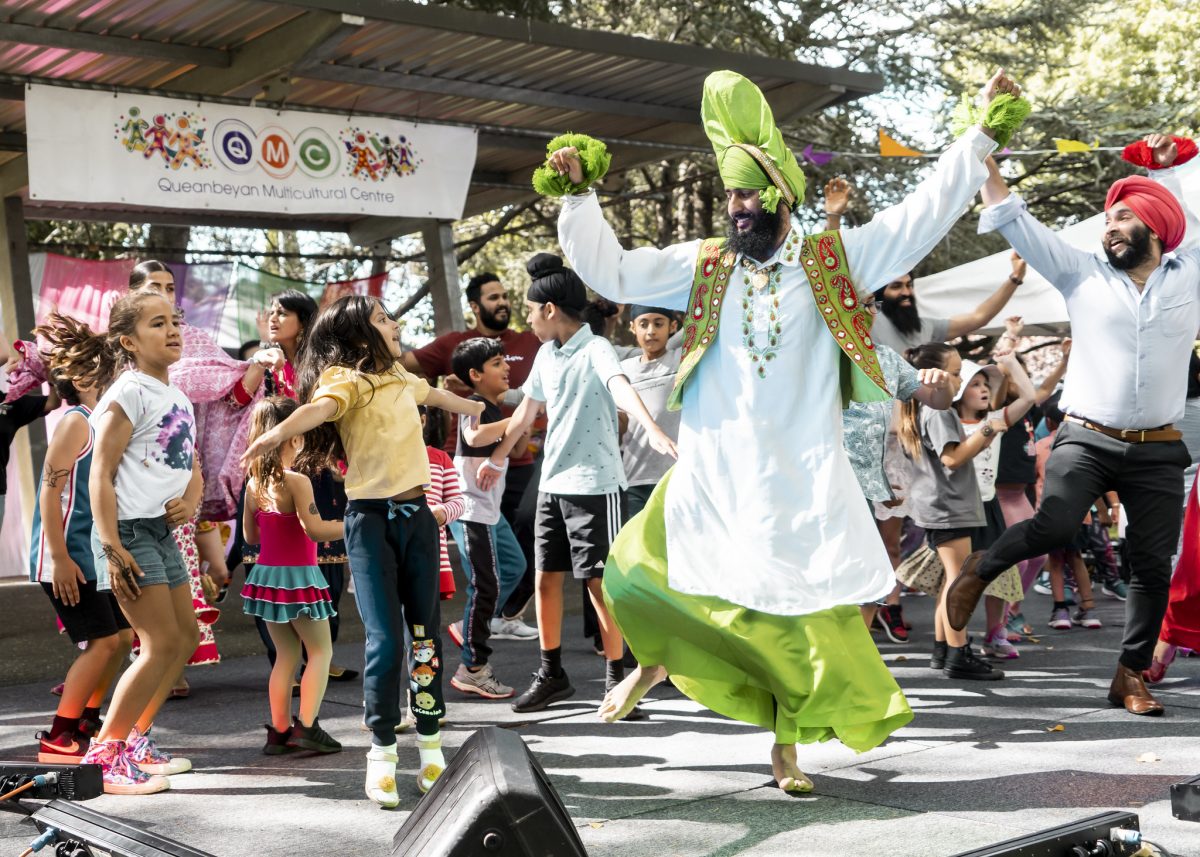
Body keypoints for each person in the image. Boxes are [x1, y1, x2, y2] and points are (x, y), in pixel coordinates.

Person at [534, 66, 1023, 791]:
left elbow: (922, 213)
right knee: (637, 576)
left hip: (800, 471)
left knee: (796, 615)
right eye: (726, 197)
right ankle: (653, 658)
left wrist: (979, 135)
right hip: (713, 465)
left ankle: (786, 744)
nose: (732, 211)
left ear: (779, 198)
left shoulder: (833, 261)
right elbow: (613, 267)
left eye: (742, 197)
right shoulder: (705, 266)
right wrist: (577, 195)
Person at [945, 133, 1199, 716]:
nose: (1108, 228)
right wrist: (985, 151)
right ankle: (980, 571)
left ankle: (1130, 674)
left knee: (1152, 564)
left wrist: (1163, 173)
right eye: (1106, 219)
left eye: (1122, 218)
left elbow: (1189, 221)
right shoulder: (1079, 272)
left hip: (1159, 448)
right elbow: (1012, 218)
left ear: (1156, 230)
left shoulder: (1189, 277)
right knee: (1054, 524)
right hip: (1086, 437)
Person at [241, 295, 484, 807]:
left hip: (418, 518)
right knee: (383, 642)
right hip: (369, 521)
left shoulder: (402, 378)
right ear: (357, 336)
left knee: (426, 636)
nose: (394, 325)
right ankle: (382, 751)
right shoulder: (345, 381)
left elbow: (437, 398)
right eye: (382, 319)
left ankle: (433, 746)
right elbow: (318, 410)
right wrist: (278, 433)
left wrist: (475, 406)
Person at [475, 253, 678, 716]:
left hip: (596, 484)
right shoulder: (548, 354)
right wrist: (497, 458)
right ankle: (551, 674)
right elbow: (526, 414)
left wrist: (652, 427)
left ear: (549, 309)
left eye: (530, 310)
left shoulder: (597, 348)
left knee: (598, 585)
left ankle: (616, 676)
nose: (528, 320)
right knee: (546, 579)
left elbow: (620, 386)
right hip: (553, 483)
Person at [82, 292, 202, 795]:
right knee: (156, 644)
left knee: (185, 639)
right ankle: (103, 758)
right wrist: (111, 547)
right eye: (158, 323)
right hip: (128, 532)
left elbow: (191, 463)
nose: (172, 329)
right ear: (129, 341)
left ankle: (133, 742)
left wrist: (190, 499)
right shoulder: (128, 391)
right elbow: (99, 473)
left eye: (174, 320)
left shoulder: (176, 394)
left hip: (159, 529)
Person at [402, 272, 542, 635]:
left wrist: (518, 423)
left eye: (505, 296)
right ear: (476, 306)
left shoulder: (529, 340)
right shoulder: (456, 347)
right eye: (493, 297)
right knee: (485, 570)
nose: (503, 303)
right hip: (467, 474)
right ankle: (472, 641)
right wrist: (444, 395)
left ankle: (494, 620)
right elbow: (403, 369)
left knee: (514, 562)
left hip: (514, 465)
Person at [30, 314, 132, 764]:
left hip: (92, 555)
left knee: (124, 638)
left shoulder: (101, 421)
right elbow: (48, 492)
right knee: (105, 642)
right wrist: (58, 557)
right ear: (86, 374)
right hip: (67, 556)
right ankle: (60, 733)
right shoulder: (76, 421)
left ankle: (88, 720)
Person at [840, 292, 955, 635]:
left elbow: (936, 400)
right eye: (854, 303)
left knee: (871, 561)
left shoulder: (886, 359)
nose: (866, 312)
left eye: (870, 305)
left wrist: (944, 385)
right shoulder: (818, 354)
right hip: (830, 479)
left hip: (880, 473)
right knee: (837, 565)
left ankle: (860, 644)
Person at [242, 397, 343, 756]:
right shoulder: (297, 480)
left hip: (266, 577)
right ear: (292, 437)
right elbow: (316, 530)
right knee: (320, 651)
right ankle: (309, 726)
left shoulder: (253, 483)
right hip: (299, 577)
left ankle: (279, 731)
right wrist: (353, 524)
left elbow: (250, 538)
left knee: (286, 655)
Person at [896, 346, 1004, 680]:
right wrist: (989, 430)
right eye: (956, 372)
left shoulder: (921, 406)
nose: (960, 379)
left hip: (942, 504)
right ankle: (959, 653)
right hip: (949, 505)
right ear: (936, 374)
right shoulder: (938, 409)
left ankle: (945, 650)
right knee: (960, 583)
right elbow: (952, 459)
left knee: (950, 581)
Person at [446, 338, 521, 700]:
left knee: (515, 565)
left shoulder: (496, 406)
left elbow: (516, 447)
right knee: (485, 585)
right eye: (496, 363)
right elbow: (473, 435)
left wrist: (519, 426)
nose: (505, 367)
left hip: (491, 509)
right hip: (470, 508)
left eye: (504, 360)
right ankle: (472, 667)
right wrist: (517, 418)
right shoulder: (473, 404)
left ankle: (470, 624)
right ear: (475, 375)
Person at [954, 355, 1039, 658]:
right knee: (952, 584)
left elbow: (1029, 397)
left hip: (988, 508)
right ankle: (952, 644)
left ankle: (994, 633)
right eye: (975, 384)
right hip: (956, 513)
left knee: (1001, 573)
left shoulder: (994, 421)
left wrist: (1011, 361)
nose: (984, 389)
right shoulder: (944, 421)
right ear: (958, 390)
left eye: (985, 383)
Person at [619, 306, 683, 520]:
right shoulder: (622, 371)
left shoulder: (682, 361)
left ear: (673, 327)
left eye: (658, 323)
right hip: (634, 480)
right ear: (632, 327)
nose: (651, 331)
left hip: (675, 476)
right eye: (643, 324)